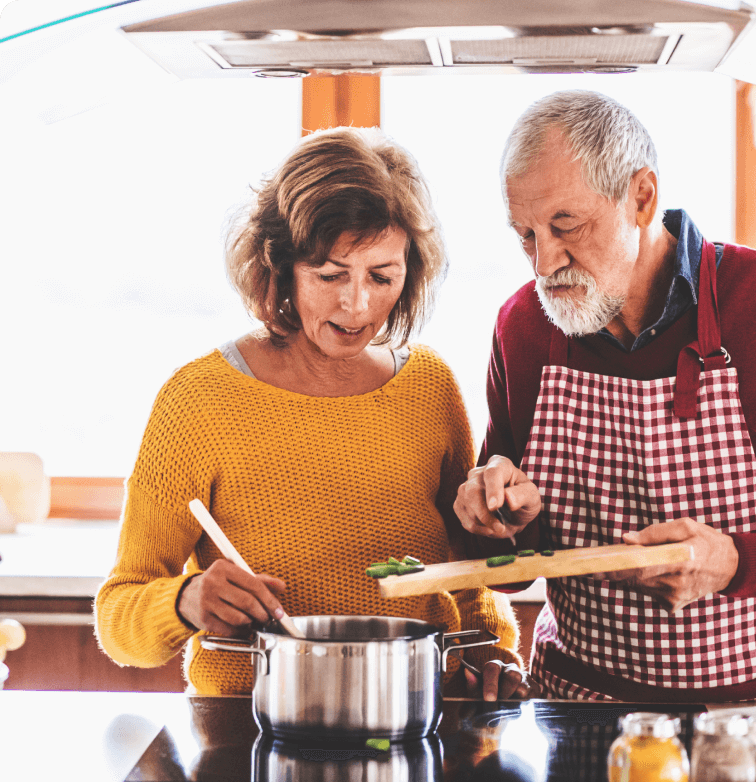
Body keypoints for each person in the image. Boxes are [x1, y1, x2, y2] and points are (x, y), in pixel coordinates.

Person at [94, 126, 525, 699]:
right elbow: (120, 618)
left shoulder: (429, 385)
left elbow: (464, 572)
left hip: (414, 711)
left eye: (382, 276)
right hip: (251, 730)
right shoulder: (198, 401)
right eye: (329, 275)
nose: (357, 304)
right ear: (280, 267)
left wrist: (493, 651)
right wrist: (184, 601)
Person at [454, 90, 756, 703]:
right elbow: (508, 564)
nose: (544, 263)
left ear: (641, 198)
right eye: (525, 235)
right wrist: (497, 521)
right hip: (571, 709)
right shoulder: (522, 328)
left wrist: (732, 561)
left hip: (754, 717)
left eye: (565, 225)